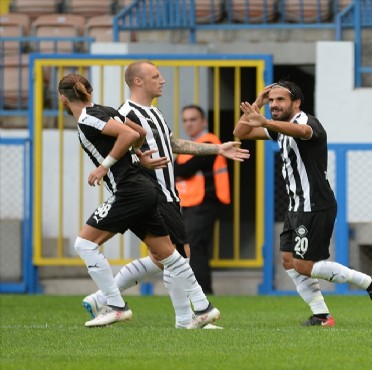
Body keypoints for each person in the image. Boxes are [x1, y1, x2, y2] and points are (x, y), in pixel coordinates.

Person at [81, 61, 249, 329]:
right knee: (177, 256)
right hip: (153, 194)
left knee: (168, 258)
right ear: (138, 82)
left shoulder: (155, 113)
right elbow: (120, 157)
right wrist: (140, 163)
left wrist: (217, 149)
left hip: (170, 194)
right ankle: (188, 317)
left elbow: (173, 145)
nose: (163, 80)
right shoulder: (126, 113)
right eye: (155, 76)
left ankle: (106, 298)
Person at [59, 73, 220, 328]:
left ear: (62, 98)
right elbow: (139, 132)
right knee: (169, 254)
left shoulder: (89, 117)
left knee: (84, 244)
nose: (161, 79)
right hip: (144, 188)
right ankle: (202, 307)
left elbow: (127, 134)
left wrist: (104, 166)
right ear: (89, 90)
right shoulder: (103, 110)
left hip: (130, 189)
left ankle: (114, 304)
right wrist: (138, 156)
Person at [234, 80, 372, 327]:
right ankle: (321, 315)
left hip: (315, 204)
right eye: (271, 100)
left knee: (305, 265)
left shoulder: (306, 122)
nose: (274, 105)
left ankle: (371, 283)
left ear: (296, 102)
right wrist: (257, 105)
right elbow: (240, 133)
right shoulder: (278, 128)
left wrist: (264, 121)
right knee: (288, 260)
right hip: (296, 206)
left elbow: (304, 133)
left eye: (280, 100)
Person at [174, 104, 231, 294]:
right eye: (185, 120)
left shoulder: (210, 142)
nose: (188, 124)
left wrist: (179, 173)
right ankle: (201, 290)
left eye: (193, 119)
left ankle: (202, 291)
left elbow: (183, 170)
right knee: (195, 246)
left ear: (204, 121)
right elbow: (177, 171)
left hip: (206, 202)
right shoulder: (187, 147)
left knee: (193, 245)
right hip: (190, 204)